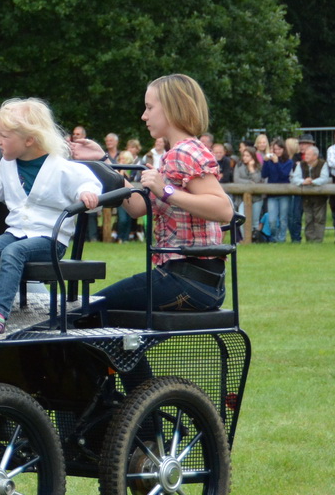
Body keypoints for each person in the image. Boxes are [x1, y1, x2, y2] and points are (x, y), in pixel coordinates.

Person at [89, 75, 233, 317]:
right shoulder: (173, 154)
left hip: (188, 281)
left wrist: (166, 191)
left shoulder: (185, 152)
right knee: (96, 308)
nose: (144, 116)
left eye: (149, 107)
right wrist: (103, 161)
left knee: (89, 310)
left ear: (172, 108)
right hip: (195, 281)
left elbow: (223, 209)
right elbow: (136, 207)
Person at [0, 99, 102, 335]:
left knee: (13, 253)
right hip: (17, 233)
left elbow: (87, 183)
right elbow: (8, 191)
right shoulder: (8, 164)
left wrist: (88, 193)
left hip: (50, 239)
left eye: (3, 136)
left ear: (29, 139)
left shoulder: (62, 168)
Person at [294, 139, 329, 242]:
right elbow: (295, 178)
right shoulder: (301, 164)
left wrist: (312, 182)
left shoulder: (323, 164)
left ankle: (318, 240)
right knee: (308, 218)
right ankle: (309, 240)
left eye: (309, 154)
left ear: (315, 156)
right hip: (306, 197)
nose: (306, 156)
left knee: (319, 218)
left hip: (319, 197)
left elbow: (324, 178)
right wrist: (303, 181)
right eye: (306, 154)